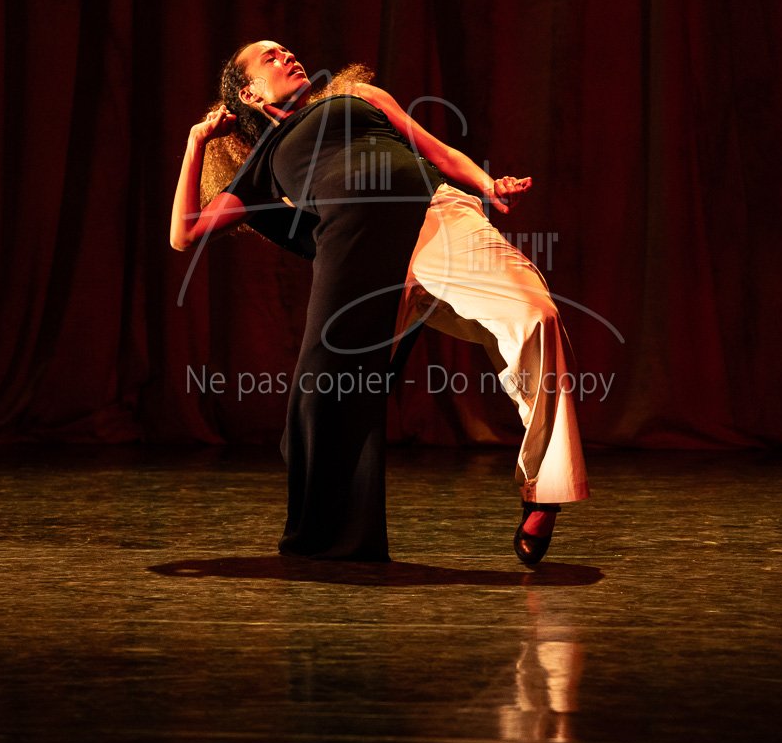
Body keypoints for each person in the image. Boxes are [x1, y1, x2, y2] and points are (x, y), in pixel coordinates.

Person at [170, 40, 588, 564]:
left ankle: (545, 487)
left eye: (287, 51)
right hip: (359, 261)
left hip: (435, 220)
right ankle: (330, 539)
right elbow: (184, 233)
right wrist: (196, 141)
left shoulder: (358, 97)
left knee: (536, 317)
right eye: (270, 58)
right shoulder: (266, 162)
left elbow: (438, 152)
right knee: (322, 398)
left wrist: (488, 184)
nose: (288, 57)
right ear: (249, 93)